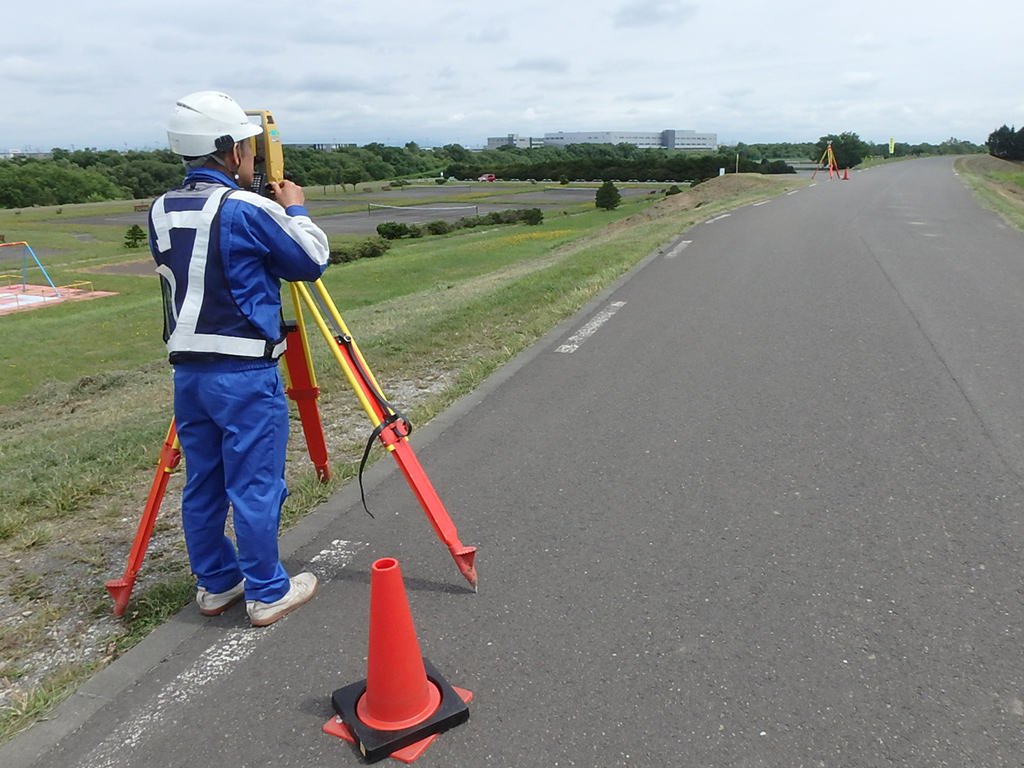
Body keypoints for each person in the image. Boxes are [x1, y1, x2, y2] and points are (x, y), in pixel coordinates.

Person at [148, 91, 330, 626]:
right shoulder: (248, 208)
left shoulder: (162, 208)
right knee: (255, 483)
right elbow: (310, 261)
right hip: (244, 373)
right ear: (231, 152)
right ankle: (268, 590)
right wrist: (293, 207)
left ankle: (216, 582)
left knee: (204, 481)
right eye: (248, 149)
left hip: (189, 373)